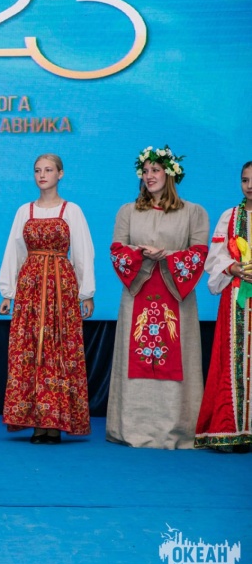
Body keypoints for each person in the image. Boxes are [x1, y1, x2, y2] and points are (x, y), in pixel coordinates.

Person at [107, 146, 209, 449]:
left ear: (170, 174)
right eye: (145, 171)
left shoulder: (193, 212)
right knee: (135, 360)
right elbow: (117, 251)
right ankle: (131, 428)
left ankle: (178, 429)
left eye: (156, 170)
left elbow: (199, 253)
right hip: (137, 295)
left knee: (177, 359)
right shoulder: (127, 211)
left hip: (176, 299)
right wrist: (140, 254)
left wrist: (168, 256)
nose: (149, 176)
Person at [0, 154, 94, 444]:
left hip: (61, 288)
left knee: (59, 349)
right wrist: (8, 293)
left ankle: (56, 422)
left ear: (60, 174)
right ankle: (37, 422)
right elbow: (14, 251)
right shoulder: (24, 211)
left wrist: (86, 293)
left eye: (48, 170)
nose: (42, 175)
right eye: (37, 170)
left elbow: (83, 252)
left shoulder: (71, 210)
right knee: (30, 348)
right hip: (30, 289)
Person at [196, 161, 252, 453]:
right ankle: (232, 429)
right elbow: (215, 257)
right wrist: (233, 268)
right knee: (233, 361)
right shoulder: (229, 217)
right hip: (237, 298)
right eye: (245, 180)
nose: (249, 186)